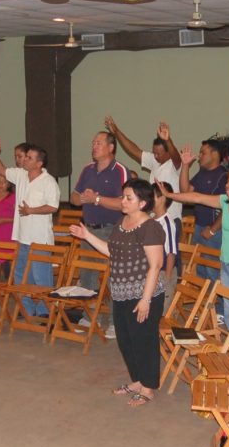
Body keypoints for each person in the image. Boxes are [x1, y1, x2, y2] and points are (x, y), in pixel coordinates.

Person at [70, 179, 164, 407]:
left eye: (128, 198)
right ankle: (138, 380)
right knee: (126, 339)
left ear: (142, 203)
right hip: (121, 293)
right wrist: (87, 236)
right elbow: (111, 252)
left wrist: (145, 300)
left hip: (143, 294)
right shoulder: (123, 222)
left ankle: (149, 386)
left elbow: (156, 265)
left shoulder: (150, 227)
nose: (123, 201)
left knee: (144, 339)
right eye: (123, 196)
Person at [163, 165, 229, 329]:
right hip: (226, 263)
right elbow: (197, 197)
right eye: (228, 182)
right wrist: (169, 195)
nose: (228, 185)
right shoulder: (224, 201)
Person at [70, 130, 133, 338]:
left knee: (115, 276)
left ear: (111, 147)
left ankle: (116, 322)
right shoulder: (87, 170)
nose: (94, 146)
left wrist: (97, 199)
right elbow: (74, 197)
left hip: (111, 230)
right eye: (93, 143)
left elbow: (124, 203)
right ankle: (90, 316)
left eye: (98, 143)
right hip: (88, 229)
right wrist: (84, 199)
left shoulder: (120, 171)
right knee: (87, 274)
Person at [0, 139, 60, 317]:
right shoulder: (20, 175)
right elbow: (1, 170)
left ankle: (45, 310)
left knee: (40, 276)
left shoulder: (49, 181)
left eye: (29, 158)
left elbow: (53, 207)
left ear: (39, 163)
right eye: (25, 157)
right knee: (21, 275)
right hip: (22, 236)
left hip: (40, 238)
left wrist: (32, 210)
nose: (24, 160)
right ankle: (26, 308)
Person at [104, 116, 183, 249]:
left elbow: (175, 155)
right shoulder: (155, 161)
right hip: (153, 217)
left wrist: (168, 140)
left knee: (169, 256)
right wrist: (116, 132)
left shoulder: (175, 164)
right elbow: (134, 150)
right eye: (154, 153)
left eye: (160, 154)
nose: (156, 156)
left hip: (171, 219)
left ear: (168, 152)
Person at [178, 139, 228, 288]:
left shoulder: (224, 176)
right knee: (200, 271)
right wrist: (185, 165)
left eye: (203, 152)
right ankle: (205, 306)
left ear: (215, 154)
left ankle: (218, 309)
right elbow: (185, 192)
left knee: (213, 272)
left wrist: (212, 230)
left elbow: (228, 208)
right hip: (200, 227)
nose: (199, 156)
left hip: (214, 231)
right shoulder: (202, 173)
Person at [152, 182, 179, 304]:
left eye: (151, 196)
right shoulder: (151, 220)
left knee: (161, 309)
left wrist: (167, 280)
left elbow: (171, 253)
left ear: (162, 198)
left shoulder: (167, 223)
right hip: (153, 271)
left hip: (163, 272)